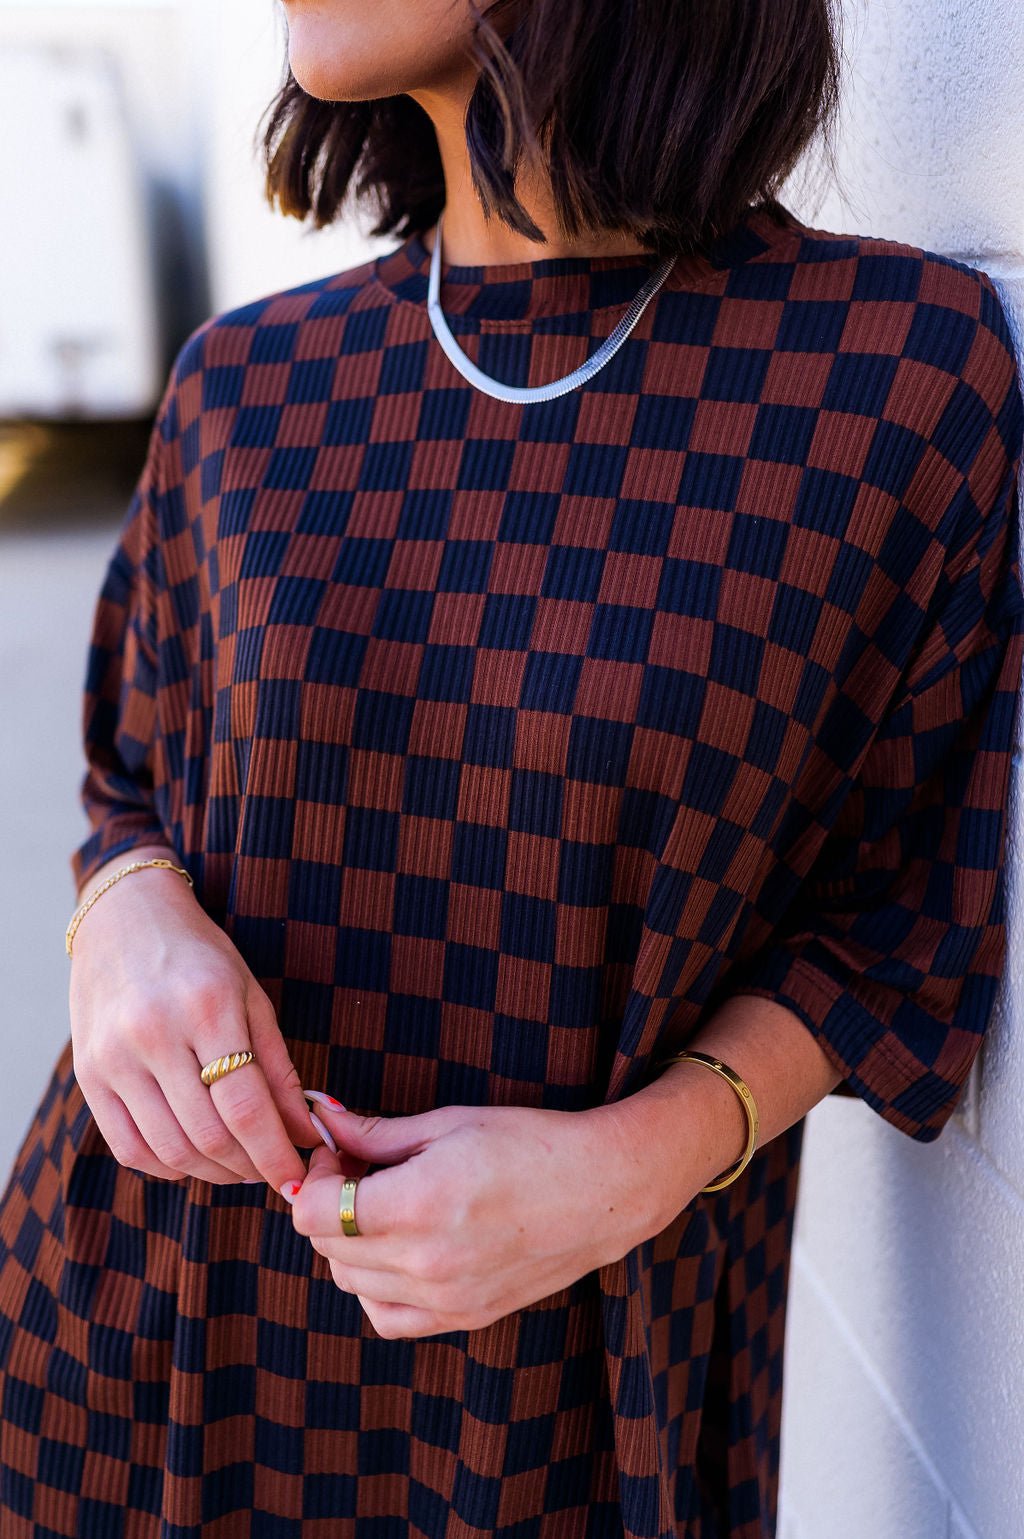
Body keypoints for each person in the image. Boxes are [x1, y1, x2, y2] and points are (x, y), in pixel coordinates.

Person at [1, 0, 1022, 1534]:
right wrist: (125, 922)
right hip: (124, 1348)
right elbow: (129, 784)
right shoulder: (244, 386)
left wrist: (631, 1166)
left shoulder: (895, 376)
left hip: (570, 1396)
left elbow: (903, 923)